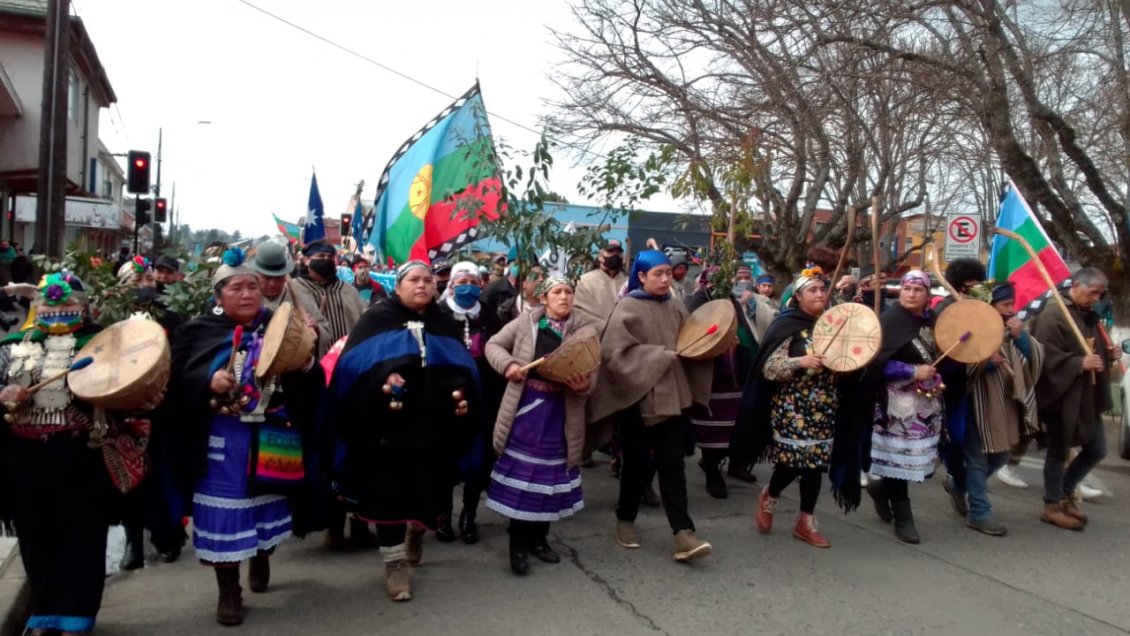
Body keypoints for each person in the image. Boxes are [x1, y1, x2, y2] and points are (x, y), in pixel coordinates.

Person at [165, 249, 324, 626]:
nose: (248, 294)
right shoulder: (198, 331)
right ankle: (228, 589)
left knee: (265, 502)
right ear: (218, 296)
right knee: (226, 509)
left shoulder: (281, 325)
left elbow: (310, 382)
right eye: (237, 287)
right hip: (223, 439)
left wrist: (304, 360)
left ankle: (262, 555)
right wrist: (207, 380)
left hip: (271, 434)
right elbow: (174, 380)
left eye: (253, 286)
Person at [0, 273, 163, 635]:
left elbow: (131, 386)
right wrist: (4, 394)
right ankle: (43, 613)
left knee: (82, 537)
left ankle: (76, 615)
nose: (58, 311)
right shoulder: (12, 346)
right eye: (49, 305)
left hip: (81, 454)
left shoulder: (104, 344)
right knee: (36, 536)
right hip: (25, 458)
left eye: (68, 304)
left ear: (85, 305)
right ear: (36, 307)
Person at [327, 261, 480, 602]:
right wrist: (384, 377)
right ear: (398, 286)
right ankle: (394, 563)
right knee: (389, 494)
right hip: (387, 429)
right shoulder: (376, 319)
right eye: (414, 280)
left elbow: (461, 365)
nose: (422, 285)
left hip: (433, 426)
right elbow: (352, 367)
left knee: (429, 488)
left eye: (428, 280)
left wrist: (458, 386)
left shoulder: (443, 322)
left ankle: (416, 533)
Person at [588, 250, 714, 563]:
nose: (664, 279)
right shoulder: (627, 307)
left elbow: (693, 342)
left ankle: (682, 532)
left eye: (667, 273)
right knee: (636, 464)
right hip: (637, 398)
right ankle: (625, 519)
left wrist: (715, 343)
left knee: (673, 464)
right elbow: (614, 355)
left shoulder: (676, 306)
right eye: (657, 273)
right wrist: (659, 356)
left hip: (674, 397)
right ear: (641, 276)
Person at [484, 273, 598, 575]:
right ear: (544, 298)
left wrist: (584, 385)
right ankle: (517, 545)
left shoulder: (584, 329)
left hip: (562, 414)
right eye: (557, 292)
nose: (564, 297)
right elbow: (493, 345)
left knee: (549, 481)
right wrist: (508, 365)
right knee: (527, 478)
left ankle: (539, 540)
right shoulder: (526, 322)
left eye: (568, 291)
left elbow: (595, 367)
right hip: (527, 412)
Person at [740, 267, 848, 547]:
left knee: (815, 465)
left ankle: (805, 521)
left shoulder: (834, 324)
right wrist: (800, 362)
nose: (820, 294)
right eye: (812, 290)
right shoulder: (787, 325)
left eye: (823, 290)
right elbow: (769, 368)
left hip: (825, 405)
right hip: (792, 407)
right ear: (797, 297)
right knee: (791, 463)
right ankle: (770, 495)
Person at [946, 282, 1043, 536]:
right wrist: (985, 363)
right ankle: (980, 513)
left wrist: (1021, 338)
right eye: (1005, 305)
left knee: (1000, 456)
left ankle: (959, 485)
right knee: (977, 460)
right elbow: (957, 370)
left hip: (1002, 406)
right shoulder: (968, 331)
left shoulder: (1012, 329)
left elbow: (1034, 359)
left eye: (1012, 304)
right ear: (989, 307)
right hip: (974, 406)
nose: (1011, 310)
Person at [1030, 268, 1113, 530]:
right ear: (1076, 286)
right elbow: (1045, 356)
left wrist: (1107, 354)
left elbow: (1091, 348)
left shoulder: (1086, 315)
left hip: (1086, 398)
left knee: (1097, 449)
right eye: (1092, 293)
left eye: (1100, 294)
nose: (1096, 299)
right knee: (1058, 450)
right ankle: (1052, 505)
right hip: (1060, 397)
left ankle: (1065, 491)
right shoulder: (1054, 315)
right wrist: (1079, 363)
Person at [866, 270, 944, 544]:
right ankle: (903, 517)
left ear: (927, 295)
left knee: (915, 462)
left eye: (917, 290)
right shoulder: (889, 321)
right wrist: (911, 371)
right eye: (906, 289)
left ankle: (881, 488)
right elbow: (873, 363)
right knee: (899, 460)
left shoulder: (936, 322)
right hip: (896, 405)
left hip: (927, 403)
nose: (911, 294)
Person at [436, 262, 506, 544]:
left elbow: (500, 350)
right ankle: (442, 515)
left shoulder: (490, 316)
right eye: (463, 280)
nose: (469, 285)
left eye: (475, 281)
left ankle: (469, 514)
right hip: (444, 397)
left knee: (477, 458)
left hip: (482, 396)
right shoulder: (438, 314)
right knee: (444, 458)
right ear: (452, 284)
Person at [685, 268, 759, 498]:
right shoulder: (697, 302)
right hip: (710, 378)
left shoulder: (732, 302)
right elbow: (691, 338)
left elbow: (744, 331)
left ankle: (735, 464)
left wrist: (741, 348)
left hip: (735, 377)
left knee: (737, 426)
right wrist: (717, 343)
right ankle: (711, 469)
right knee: (711, 429)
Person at [290, 240, 366, 359]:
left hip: (347, 359)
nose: (326, 259)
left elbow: (363, 321)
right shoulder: (294, 289)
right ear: (306, 260)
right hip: (311, 364)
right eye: (320, 256)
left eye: (330, 257)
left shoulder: (347, 290)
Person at [573, 239, 627, 332]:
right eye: (610, 252)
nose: (615, 256)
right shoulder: (584, 281)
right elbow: (579, 312)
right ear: (600, 257)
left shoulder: (628, 282)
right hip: (594, 338)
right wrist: (607, 328)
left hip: (625, 338)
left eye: (619, 253)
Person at [251, 242, 295, 311]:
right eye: (267, 277)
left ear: (285, 277)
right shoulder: (247, 299)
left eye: (278, 278)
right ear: (257, 275)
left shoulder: (296, 296)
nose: (273, 284)